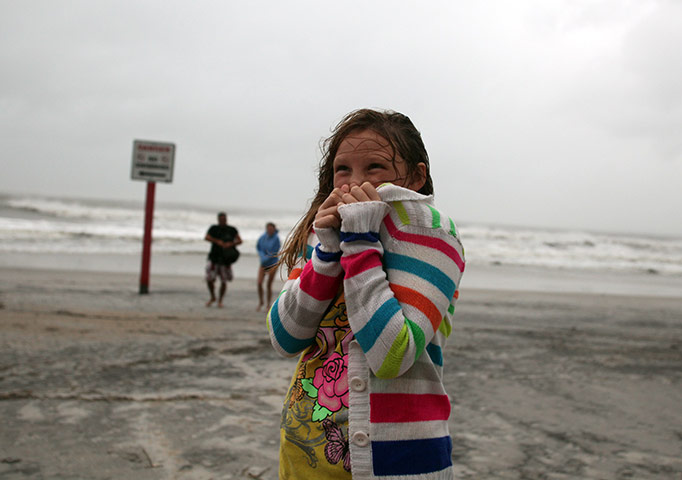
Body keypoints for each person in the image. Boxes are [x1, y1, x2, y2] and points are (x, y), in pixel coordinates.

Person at [266, 109, 465, 479]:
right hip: (302, 459)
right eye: (343, 170)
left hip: (391, 465)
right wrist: (326, 255)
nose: (353, 183)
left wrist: (360, 242)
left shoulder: (432, 233)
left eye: (375, 167)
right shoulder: (328, 231)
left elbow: (391, 355)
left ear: (417, 177)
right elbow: (284, 337)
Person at [204, 211, 242, 307]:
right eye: (221, 219)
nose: (222, 221)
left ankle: (220, 300)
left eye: (224, 219)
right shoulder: (214, 228)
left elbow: (240, 240)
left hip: (225, 260)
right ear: (218, 219)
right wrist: (217, 241)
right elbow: (207, 237)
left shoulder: (231, 229)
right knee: (209, 279)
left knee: (224, 281)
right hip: (214, 257)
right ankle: (213, 296)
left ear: (226, 219)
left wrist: (231, 244)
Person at [256, 222, 281, 311]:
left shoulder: (276, 239)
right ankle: (261, 302)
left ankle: (268, 304)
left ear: (274, 229)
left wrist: (266, 257)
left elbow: (274, 252)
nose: (270, 230)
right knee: (259, 283)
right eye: (268, 229)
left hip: (273, 263)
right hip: (263, 263)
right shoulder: (263, 237)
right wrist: (262, 257)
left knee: (268, 284)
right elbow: (258, 247)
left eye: (271, 229)